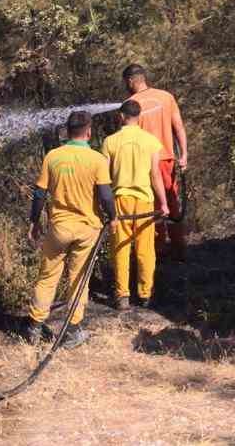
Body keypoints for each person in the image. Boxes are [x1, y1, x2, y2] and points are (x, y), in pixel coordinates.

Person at [24, 110, 114, 346]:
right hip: (87, 228)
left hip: (59, 229)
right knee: (79, 278)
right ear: (89, 131)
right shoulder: (97, 160)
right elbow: (105, 195)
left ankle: (34, 327)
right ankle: (73, 331)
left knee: (47, 277)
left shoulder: (53, 157)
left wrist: (33, 222)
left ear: (67, 130)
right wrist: (112, 217)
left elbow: (40, 193)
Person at [103, 98, 169, 310]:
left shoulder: (109, 142)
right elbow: (156, 176)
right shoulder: (150, 141)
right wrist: (165, 204)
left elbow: (103, 177)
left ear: (121, 116)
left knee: (120, 248)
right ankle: (145, 293)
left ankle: (122, 295)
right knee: (145, 249)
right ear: (138, 117)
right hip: (144, 201)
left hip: (119, 200)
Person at [122, 64, 189, 260]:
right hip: (167, 159)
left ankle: (158, 250)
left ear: (130, 81)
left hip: (144, 163)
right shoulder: (166, 96)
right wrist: (184, 154)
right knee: (172, 202)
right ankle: (179, 249)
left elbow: (128, 137)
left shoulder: (130, 105)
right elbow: (179, 127)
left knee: (151, 205)